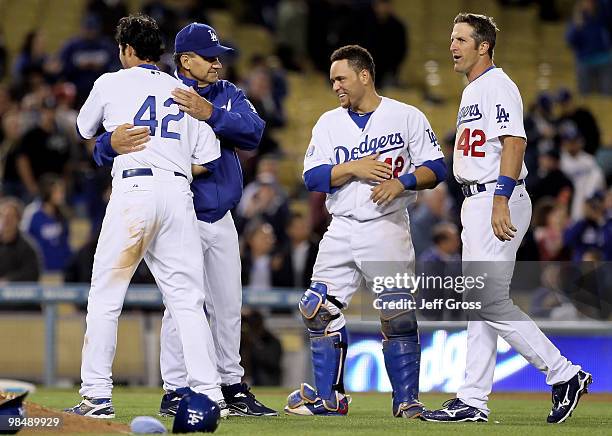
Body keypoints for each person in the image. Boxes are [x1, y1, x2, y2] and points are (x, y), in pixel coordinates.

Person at [92, 22, 277, 417]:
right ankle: (177, 387)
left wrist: (212, 115)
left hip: (217, 213)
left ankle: (230, 385)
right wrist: (116, 147)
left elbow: (255, 132)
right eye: (210, 57)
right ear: (186, 60)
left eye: (219, 56)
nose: (218, 64)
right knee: (182, 306)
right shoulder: (166, 90)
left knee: (226, 305)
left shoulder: (227, 94)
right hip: (182, 210)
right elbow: (113, 142)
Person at [421, 13, 592, 424]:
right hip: (477, 201)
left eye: (461, 38)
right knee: (479, 302)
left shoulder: (497, 85)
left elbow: (514, 142)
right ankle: (473, 399)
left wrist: (498, 198)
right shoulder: (474, 89)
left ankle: (563, 372)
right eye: (451, 38)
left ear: (484, 46)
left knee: (485, 299)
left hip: (497, 197)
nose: (453, 46)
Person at [65, 14, 223, 419]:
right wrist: (173, 163)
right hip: (177, 194)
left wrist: (109, 142)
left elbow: (85, 129)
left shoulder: (110, 82)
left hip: (134, 191)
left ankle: (97, 397)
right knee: (189, 302)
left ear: (127, 50)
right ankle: (210, 396)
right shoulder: (183, 90)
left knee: (105, 297)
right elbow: (210, 156)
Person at [284, 45, 447, 418]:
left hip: (385, 226)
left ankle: (406, 401)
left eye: (340, 78)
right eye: (331, 81)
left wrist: (402, 182)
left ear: (364, 75)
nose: (335, 86)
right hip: (340, 226)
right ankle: (329, 398)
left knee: (397, 315)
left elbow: (436, 167)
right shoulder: (328, 122)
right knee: (317, 310)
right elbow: (312, 177)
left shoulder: (405, 116)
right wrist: (354, 168)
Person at [0, 197, 40, 283]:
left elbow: (32, 273)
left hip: (17, 293)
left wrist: (8, 280)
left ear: (18, 219)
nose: (6, 220)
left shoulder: (28, 247)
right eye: (3, 216)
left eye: (10, 216)